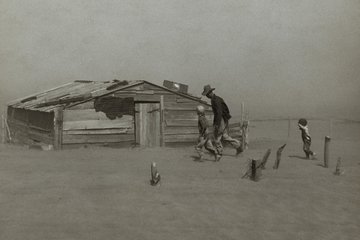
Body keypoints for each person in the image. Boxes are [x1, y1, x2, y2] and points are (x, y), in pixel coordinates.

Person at [202, 85, 243, 161]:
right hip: (222, 119)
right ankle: (238, 146)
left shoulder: (216, 100)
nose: (207, 96)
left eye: (207, 94)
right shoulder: (215, 99)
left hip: (220, 120)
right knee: (224, 136)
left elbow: (219, 113)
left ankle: (219, 154)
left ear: (210, 93)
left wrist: (217, 125)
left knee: (217, 137)